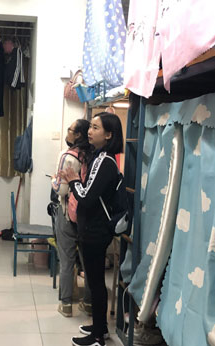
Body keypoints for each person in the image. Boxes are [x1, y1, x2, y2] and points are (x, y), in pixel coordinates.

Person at [59, 112, 124, 346]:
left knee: (96, 283)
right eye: (90, 127)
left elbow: (86, 197)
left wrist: (74, 181)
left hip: (96, 231)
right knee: (96, 282)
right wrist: (77, 181)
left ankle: (97, 336)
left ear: (108, 135)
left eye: (96, 128)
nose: (90, 131)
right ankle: (100, 327)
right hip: (92, 228)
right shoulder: (100, 156)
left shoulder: (104, 160)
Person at [51, 119, 93, 317]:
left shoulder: (67, 156)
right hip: (88, 215)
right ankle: (89, 303)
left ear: (78, 135)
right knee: (88, 261)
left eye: (70, 130)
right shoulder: (94, 156)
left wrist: (54, 180)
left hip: (68, 212)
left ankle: (66, 305)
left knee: (67, 259)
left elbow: (61, 189)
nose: (67, 132)